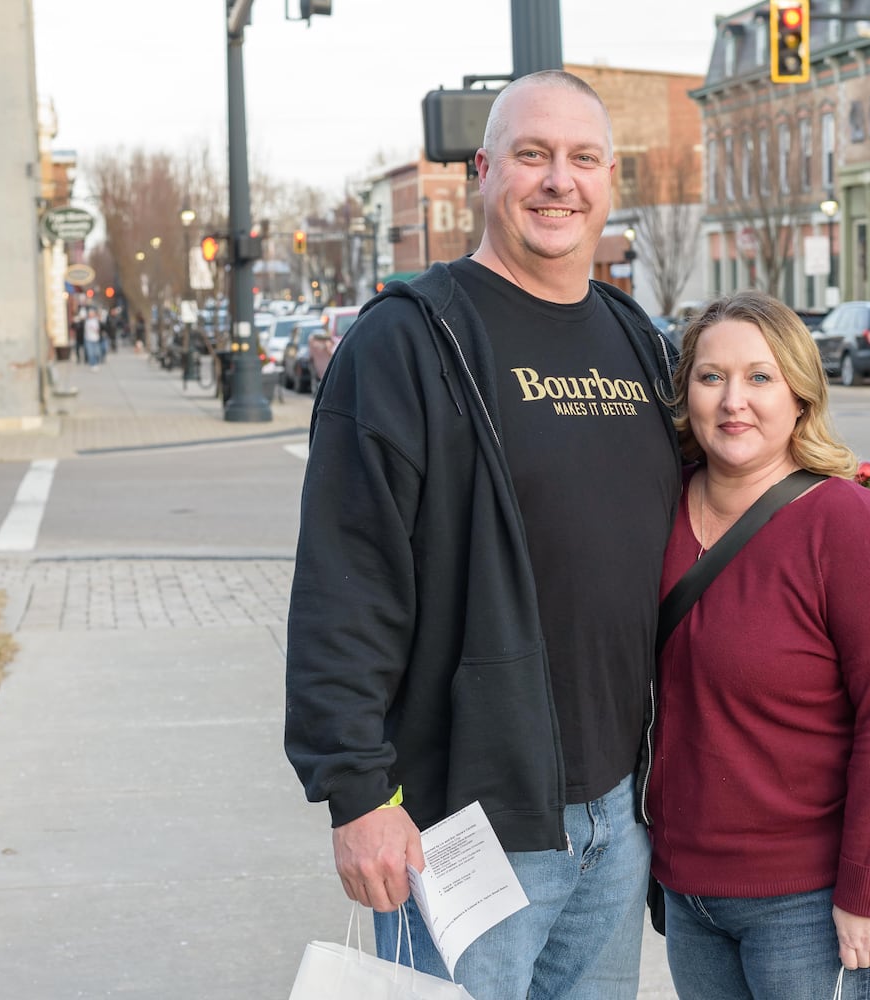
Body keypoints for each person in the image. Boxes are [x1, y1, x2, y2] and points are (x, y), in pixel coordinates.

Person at [284, 69, 681, 1000]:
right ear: (482, 170)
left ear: (610, 178)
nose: (558, 181)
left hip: (617, 821)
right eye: (532, 155)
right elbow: (346, 578)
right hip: (462, 821)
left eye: (582, 158)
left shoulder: (639, 341)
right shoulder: (408, 341)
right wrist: (356, 795)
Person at [647, 291, 870, 1000]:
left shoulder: (847, 524)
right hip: (694, 894)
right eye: (711, 376)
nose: (733, 401)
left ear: (801, 396)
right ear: (685, 393)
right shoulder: (657, 510)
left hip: (813, 899)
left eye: (760, 377)